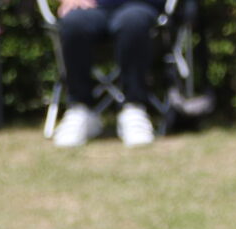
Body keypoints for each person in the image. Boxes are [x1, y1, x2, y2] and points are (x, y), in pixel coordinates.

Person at [48, 0, 160, 149]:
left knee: (132, 22)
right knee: (74, 23)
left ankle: (134, 109)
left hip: (140, 5)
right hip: (92, 7)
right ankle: (80, 110)